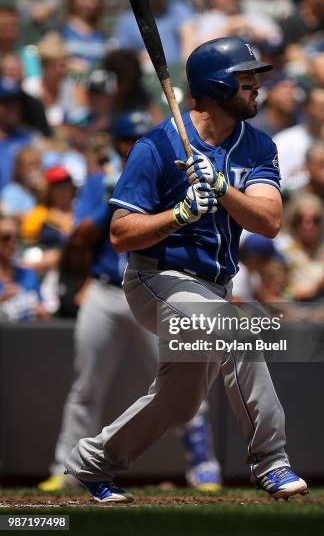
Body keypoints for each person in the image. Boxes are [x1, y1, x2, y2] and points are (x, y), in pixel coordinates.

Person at [64, 36, 308, 503]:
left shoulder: (257, 145)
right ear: (216, 84)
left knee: (179, 400)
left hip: (215, 285)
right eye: (245, 79)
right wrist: (179, 214)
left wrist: (220, 189)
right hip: (159, 279)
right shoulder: (156, 145)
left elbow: (270, 221)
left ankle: (93, 462)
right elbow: (121, 233)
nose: (256, 87)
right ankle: (271, 461)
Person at [39, 112, 222, 492]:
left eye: (142, 138)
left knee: (182, 380)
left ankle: (202, 464)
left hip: (161, 285)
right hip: (106, 290)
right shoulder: (97, 182)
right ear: (120, 145)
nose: (137, 145)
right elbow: (81, 236)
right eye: (130, 140)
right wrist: (111, 197)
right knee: (86, 386)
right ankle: (67, 468)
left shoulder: (172, 175)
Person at [0, 213, 46, 321]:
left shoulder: (29, 274)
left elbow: (42, 309)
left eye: (17, 237)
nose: (13, 242)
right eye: (6, 237)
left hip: (27, 335)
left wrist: (42, 313)